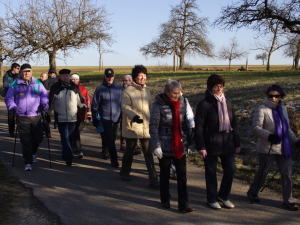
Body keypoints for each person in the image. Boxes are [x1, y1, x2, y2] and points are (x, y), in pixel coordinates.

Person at [247, 84, 299, 211]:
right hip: (267, 147)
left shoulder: (284, 110)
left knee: (287, 173)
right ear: (267, 95)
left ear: (281, 97)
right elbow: (256, 128)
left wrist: (296, 141)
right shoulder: (261, 109)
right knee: (263, 171)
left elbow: (287, 130)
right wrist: (269, 136)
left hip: (284, 148)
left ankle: (288, 200)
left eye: (277, 96)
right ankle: (253, 192)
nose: (274, 98)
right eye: (271, 96)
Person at [194, 74, 241, 210]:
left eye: (221, 86)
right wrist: (201, 146)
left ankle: (223, 196)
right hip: (210, 143)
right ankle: (212, 199)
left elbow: (234, 124)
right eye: (216, 86)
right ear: (210, 88)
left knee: (231, 170)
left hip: (227, 142)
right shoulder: (204, 104)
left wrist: (237, 142)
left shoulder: (228, 103)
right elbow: (199, 127)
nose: (219, 89)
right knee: (211, 172)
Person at [150, 79, 195, 212]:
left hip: (179, 144)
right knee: (164, 174)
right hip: (164, 145)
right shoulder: (157, 105)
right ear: (167, 92)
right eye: (174, 93)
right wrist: (156, 145)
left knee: (182, 175)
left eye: (179, 92)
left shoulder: (183, 103)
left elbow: (185, 124)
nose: (177, 95)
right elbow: (153, 127)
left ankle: (184, 203)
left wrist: (188, 143)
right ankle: (165, 199)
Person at [119, 65, 159, 189]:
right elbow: (125, 107)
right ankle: (124, 172)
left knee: (148, 152)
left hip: (146, 126)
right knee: (129, 151)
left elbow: (150, 107)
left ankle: (153, 180)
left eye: (144, 76)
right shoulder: (128, 91)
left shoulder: (147, 90)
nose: (142, 78)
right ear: (135, 77)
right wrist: (134, 116)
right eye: (140, 76)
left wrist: (154, 119)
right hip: (133, 125)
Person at [5, 63, 49, 171]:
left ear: (31, 72)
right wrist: (14, 108)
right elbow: (9, 99)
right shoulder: (15, 84)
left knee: (38, 138)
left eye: (28, 71)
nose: (26, 73)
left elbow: (44, 96)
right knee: (25, 141)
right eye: (24, 71)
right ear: (20, 73)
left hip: (36, 116)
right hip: (22, 117)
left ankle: (33, 153)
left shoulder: (37, 83)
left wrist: (45, 104)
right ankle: (28, 162)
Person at [49, 69, 85, 167]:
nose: (65, 77)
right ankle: (69, 157)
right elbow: (50, 101)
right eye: (63, 76)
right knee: (64, 137)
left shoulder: (74, 87)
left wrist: (83, 108)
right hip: (61, 117)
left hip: (73, 117)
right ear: (60, 77)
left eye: (67, 75)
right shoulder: (55, 87)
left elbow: (80, 101)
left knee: (70, 137)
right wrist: (48, 112)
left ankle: (65, 153)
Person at [92, 68, 123, 167]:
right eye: (108, 77)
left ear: (114, 77)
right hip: (105, 118)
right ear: (104, 77)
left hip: (117, 118)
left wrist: (123, 116)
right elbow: (95, 105)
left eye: (111, 77)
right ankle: (114, 160)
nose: (110, 79)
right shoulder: (100, 88)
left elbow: (124, 103)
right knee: (110, 139)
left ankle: (107, 151)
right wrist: (94, 118)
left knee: (113, 138)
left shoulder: (119, 88)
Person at [70, 73, 92, 159]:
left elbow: (88, 103)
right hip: (70, 114)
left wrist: (89, 114)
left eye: (76, 79)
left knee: (77, 130)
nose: (75, 80)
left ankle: (76, 148)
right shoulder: (67, 88)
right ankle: (76, 148)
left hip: (81, 114)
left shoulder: (83, 90)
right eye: (73, 79)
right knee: (73, 131)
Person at [2, 63, 20, 137]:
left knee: (19, 113)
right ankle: (11, 131)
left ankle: (21, 130)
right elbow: (5, 84)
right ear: (13, 68)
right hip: (10, 97)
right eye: (18, 68)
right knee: (11, 115)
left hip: (18, 97)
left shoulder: (18, 76)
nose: (19, 70)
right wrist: (14, 85)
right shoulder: (6, 76)